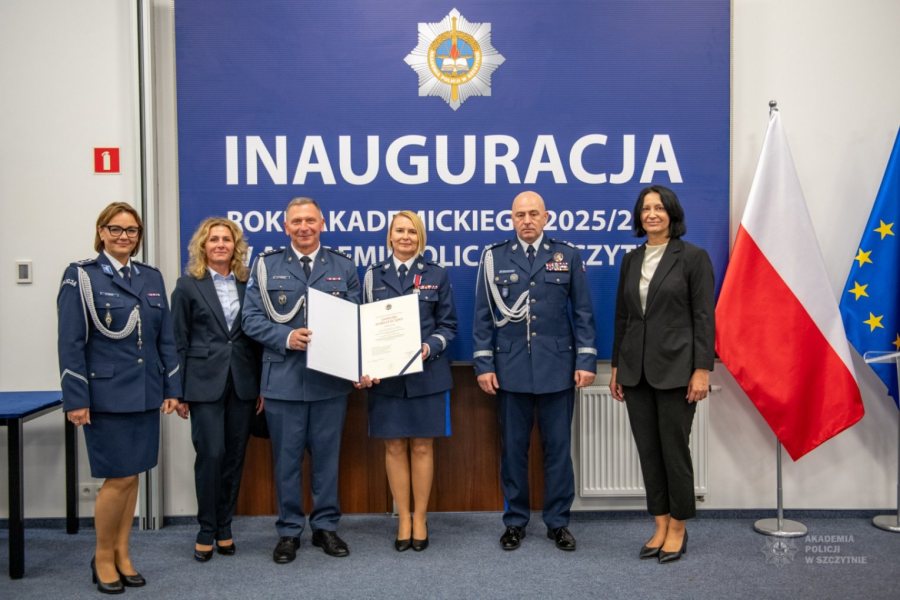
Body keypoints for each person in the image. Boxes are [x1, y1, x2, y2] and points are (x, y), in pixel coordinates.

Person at [57, 202, 181, 594]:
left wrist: (172, 388)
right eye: (116, 229)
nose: (124, 236)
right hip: (105, 395)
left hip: (145, 392)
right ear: (101, 231)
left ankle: (123, 552)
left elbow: (165, 339)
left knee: (133, 475)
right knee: (119, 477)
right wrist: (76, 398)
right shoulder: (82, 277)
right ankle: (102, 557)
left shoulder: (150, 276)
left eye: (131, 230)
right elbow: (70, 343)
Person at [473, 190, 597, 552]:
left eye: (533, 214)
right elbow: (483, 316)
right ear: (511, 219)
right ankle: (515, 521)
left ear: (546, 217)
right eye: (519, 215)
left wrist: (586, 361)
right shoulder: (494, 257)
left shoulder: (567, 255)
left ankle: (558, 522)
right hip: (510, 370)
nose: (526, 220)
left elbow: (583, 313)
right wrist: (483, 365)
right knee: (513, 451)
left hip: (557, 369)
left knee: (558, 450)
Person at [242, 197, 361, 564]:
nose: (304, 227)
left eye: (310, 220)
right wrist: (286, 336)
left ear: (322, 223)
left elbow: (356, 320)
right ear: (286, 227)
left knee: (327, 459)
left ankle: (325, 527)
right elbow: (250, 319)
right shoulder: (266, 266)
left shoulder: (343, 266)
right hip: (284, 379)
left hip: (329, 379)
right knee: (287, 461)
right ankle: (289, 531)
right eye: (297, 221)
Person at [609, 185, 715, 564]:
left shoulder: (693, 258)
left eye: (659, 208)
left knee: (674, 450)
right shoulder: (631, 259)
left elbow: (704, 317)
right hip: (635, 371)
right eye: (645, 209)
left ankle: (679, 527)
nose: (651, 214)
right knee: (648, 451)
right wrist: (617, 367)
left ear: (672, 213)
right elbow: (623, 317)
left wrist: (701, 370)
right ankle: (660, 522)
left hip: (677, 371)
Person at [358, 211, 457, 552]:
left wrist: (429, 347)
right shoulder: (373, 276)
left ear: (420, 238)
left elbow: (449, 326)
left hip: (427, 374)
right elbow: (363, 326)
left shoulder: (436, 274)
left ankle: (420, 518)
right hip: (386, 378)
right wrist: (365, 364)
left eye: (412, 232)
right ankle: (402, 518)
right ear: (389, 236)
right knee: (394, 446)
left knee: (422, 446)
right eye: (399, 231)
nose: (405, 237)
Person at [170, 217, 263, 562]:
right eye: (214, 239)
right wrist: (178, 391)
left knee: (235, 457)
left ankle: (225, 527)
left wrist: (262, 386)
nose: (220, 244)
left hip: (243, 382)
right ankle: (206, 528)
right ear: (203, 246)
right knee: (211, 455)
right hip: (202, 383)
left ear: (235, 246)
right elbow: (177, 340)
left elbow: (256, 339)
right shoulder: (187, 286)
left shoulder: (248, 284)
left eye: (226, 239)